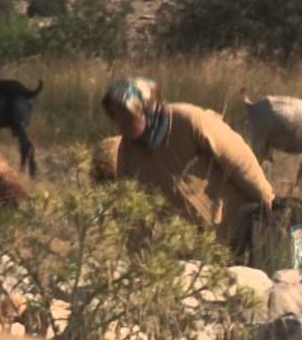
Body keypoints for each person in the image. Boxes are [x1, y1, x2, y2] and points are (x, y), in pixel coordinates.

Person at [101, 76, 274, 258]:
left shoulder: (187, 120)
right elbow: (132, 208)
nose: (120, 122)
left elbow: (236, 155)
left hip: (239, 224)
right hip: (196, 247)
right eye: (115, 116)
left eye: (127, 115)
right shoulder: (128, 153)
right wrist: (138, 258)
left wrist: (263, 194)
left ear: (147, 109)